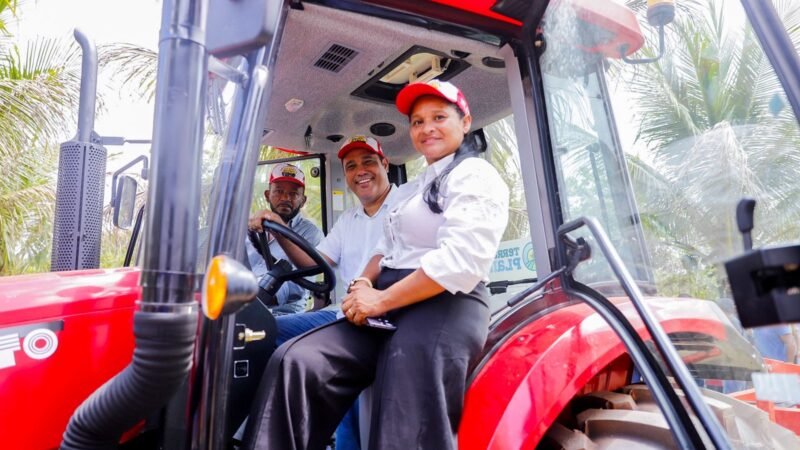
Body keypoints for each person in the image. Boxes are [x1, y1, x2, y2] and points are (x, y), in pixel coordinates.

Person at [244, 79, 509, 450]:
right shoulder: (417, 188)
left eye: (438, 117)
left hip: (442, 302)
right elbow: (386, 248)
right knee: (297, 361)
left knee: (404, 407)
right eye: (417, 121)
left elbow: (460, 263)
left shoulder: (474, 175)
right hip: (386, 303)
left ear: (464, 122)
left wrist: (380, 301)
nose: (426, 128)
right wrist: (364, 286)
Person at [247, 135, 403, 450]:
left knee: (315, 358)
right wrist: (278, 226)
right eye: (351, 166)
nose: (361, 171)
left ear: (385, 164)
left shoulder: (407, 202)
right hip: (345, 313)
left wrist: (366, 289)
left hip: (387, 313)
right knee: (259, 331)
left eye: (369, 162)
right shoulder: (349, 219)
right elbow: (315, 263)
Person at [246, 163, 323, 315]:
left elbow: (295, 288)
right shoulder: (248, 227)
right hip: (238, 305)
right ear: (268, 195)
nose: (285, 198)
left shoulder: (311, 234)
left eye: (294, 194)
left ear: (303, 200)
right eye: (279, 191)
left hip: (282, 315)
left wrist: (250, 300)